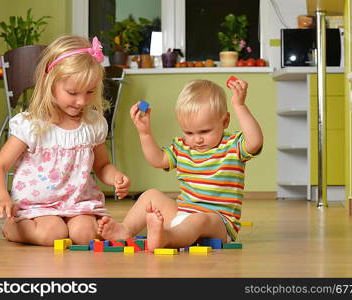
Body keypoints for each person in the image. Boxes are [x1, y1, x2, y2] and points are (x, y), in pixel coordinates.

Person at [0, 35, 130, 246]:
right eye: (72, 92)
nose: (81, 101)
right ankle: (13, 228)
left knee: (85, 234)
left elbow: (102, 165)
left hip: (77, 202)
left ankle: (73, 226)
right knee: (53, 233)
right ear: (50, 83)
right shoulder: (32, 124)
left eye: (90, 92)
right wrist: (2, 198)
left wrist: (115, 177)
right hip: (37, 206)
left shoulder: (93, 124)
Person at [98, 78, 263, 251]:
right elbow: (158, 159)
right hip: (182, 214)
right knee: (150, 195)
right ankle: (125, 229)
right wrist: (144, 133)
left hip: (218, 223)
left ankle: (166, 237)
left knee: (200, 219)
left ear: (225, 121)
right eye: (189, 132)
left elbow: (255, 141)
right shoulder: (183, 146)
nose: (197, 139)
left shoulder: (232, 145)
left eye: (205, 131)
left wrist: (239, 105)